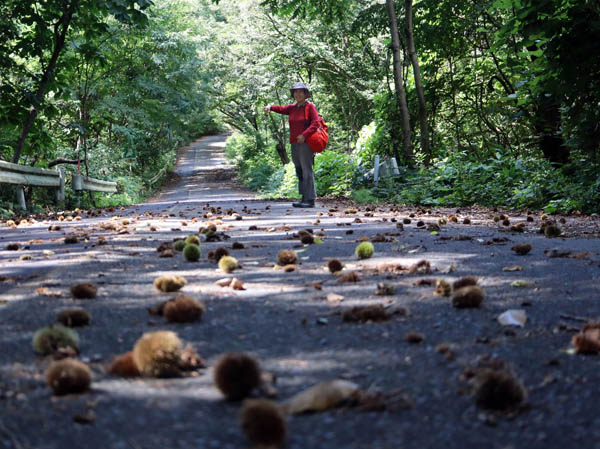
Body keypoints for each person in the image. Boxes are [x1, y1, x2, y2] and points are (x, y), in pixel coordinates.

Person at [264, 82, 320, 208]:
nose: (298, 94)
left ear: (306, 94)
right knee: (299, 170)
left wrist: (304, 135)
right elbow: (281, 109)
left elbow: (316, 123)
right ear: (293, 94)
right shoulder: (292, 108)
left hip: (306, 143)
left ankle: (310, 199)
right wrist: (270, 107)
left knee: (307, 170)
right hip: (294, 143)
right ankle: (304, 197)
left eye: (301, 92)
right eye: (296, 92)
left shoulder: (309, 107)